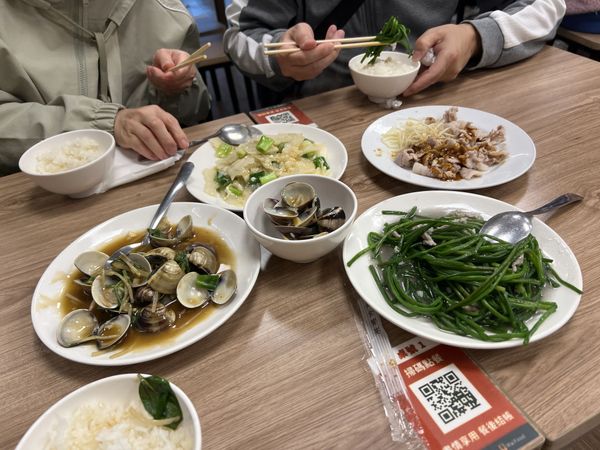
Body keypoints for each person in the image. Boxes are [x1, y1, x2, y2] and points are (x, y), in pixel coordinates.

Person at [0, 0, 211, 176]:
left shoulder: (162, 9)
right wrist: (104, 123)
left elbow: (196, 112)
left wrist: (174, 88)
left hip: (157, 179)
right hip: (37, 198)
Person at [223, 0, 566, 102]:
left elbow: (546, 5)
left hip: (440, 104)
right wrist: (280, 54)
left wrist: (475, 36)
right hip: (326, 116)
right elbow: (240, 35)